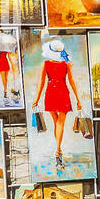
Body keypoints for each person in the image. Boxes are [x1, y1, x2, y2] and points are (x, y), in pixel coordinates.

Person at [32, 38, 83, 169]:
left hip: (50, 94)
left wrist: (37, 99)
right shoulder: (66, 65)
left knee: (57, 124)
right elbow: (71, 82)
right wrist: (78, 99)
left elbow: (41, 83)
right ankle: (58, 151)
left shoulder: (46, 64)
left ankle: (58, 151)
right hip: (63, 93)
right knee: (60, 124)